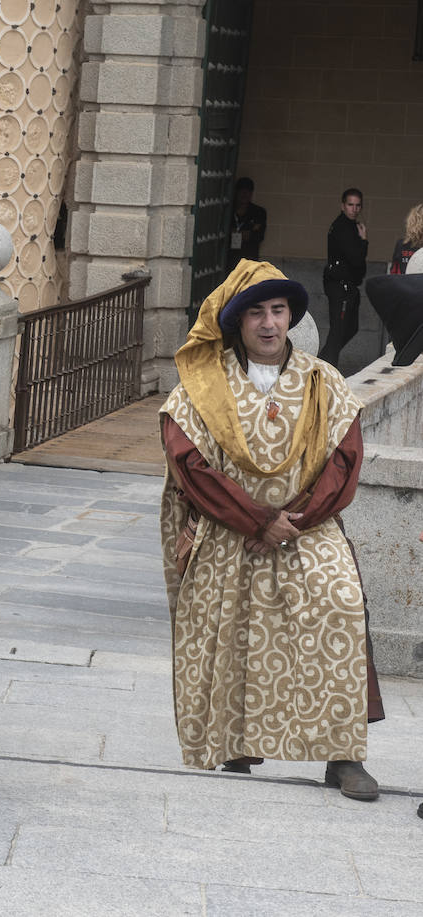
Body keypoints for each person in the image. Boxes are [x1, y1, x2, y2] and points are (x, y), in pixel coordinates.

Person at [160, 259, 385, 801]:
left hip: (310, 524)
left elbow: (345, 457)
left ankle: (343, 755)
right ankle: (234, 746)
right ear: (236, 323)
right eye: (256, 312)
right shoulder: (201, 387)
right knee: (231, 624)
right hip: (228, 528)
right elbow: (187, 462)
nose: (268, 323)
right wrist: (257, 519)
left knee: (339, 604)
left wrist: (293, 520)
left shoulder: (323, 379)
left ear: (292, 317)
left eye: (278, 310)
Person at [319, 188, 369, 368]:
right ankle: (323, 369)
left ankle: (322, 361)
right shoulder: (342, 227)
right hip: (339, 286)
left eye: (357, 205)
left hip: (349, 286)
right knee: (337, 332)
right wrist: (364, 241)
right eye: (350, 205)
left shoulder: (351, 226)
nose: (354, 209)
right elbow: (356, 259)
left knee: (350, 328)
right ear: (343, 206)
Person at [227, 176, 267, 265]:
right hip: (228, 258)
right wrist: (245, 233)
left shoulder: (258, 212)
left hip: (249, 258)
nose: (244, 194)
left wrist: (235, 233)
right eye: (241, 191)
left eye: (248, 191)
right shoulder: (227, 211)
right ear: (236, 192)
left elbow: (258, 236)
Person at [388, 203, 422, 275]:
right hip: (407, 284)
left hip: (404, 284)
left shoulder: (401, 244)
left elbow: (393, 272)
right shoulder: (402, 244)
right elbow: (394, 272)